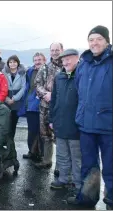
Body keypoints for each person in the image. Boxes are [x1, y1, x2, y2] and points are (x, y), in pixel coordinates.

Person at [67, 25, 112, 210]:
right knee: (89, 164)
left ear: (107, 41)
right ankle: (87, 197)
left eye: (99, 39)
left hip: (109, 125)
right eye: (91, 39)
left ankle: (111, 199)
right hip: (86, 124)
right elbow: (79, 89)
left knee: (111, 166)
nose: (94, 43)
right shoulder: (84, 63)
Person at [49, 49, 81, 191]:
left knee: (77, 157)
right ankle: (63, 179)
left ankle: (77, 183)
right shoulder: (59, 77)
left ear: (77, 58)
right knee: (62, 154)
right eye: (64, 60)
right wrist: (52, 119)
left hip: (76, 124)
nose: (66, 62)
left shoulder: (82, 75)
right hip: (60, 123)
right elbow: (54, 99)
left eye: (69, 59)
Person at [34, 43, 63, 175]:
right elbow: (37, 83)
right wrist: (45, 94)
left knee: (60, 137)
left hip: (60, 109)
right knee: (45, 135)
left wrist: (54, 95)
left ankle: (60, 166)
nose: (55, 52)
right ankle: (46, 161)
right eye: (53, 50)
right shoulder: (45, 67)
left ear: (62, 50)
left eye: (57, 50)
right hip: (44, 106)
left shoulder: (66, 66)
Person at [19, 52, 46, 162]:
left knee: (43, 132)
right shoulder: (30, 71)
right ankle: (32, 151)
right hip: (30, 105)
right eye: (35, 60)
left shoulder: (47, 71)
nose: (37, 62)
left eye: (40, 59)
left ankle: (42, 154)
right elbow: (27, 87)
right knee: (31, 131)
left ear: (44, 60)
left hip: (43, 105)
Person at [3, 55, 26, 140]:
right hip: (5, 98)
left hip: (17, 101)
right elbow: (2, 86)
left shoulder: (22, 73)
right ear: (8, 63)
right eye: (10, 62)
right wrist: (6, 98)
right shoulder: (4, 72)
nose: (12, 64)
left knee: (13, 123)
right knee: (5, 123)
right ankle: (3, 141)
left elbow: (23, 87)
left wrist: (15, 98)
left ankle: (10, 142)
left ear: (18, 63)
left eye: (14, 62)